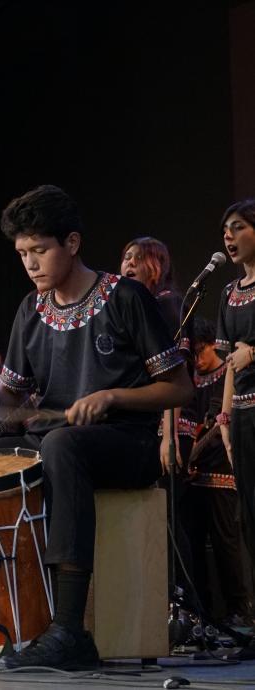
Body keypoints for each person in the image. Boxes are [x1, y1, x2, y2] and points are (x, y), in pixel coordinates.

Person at [0, 185, 192, 670]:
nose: (30, 264)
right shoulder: (31, 310)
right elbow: (13, 394)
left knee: (61, 446)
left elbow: (179, 388)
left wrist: (112, 396)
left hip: (128, 442)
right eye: (22, 254)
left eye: (39, 250)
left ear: (73, 243)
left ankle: (69, 631)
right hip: (59, 439)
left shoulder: (125, 298)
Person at [120, 236, 197, 608]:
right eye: (125, 257)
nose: (129, 263)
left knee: (168, 518)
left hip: (168, 426)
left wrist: (168, 433)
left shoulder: (166, 304)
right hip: (150, 426)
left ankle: (183, 608)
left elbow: (174, 377)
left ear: (158, 265)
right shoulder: (139, 307)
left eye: (139, 258)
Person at [181, 317, 251, 625]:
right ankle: (202, 613)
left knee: (226, 545)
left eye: (201, 352)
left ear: (213, 345)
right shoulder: (190, 380)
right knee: (193, 546)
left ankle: (239, 611)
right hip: (192, 477)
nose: (196, 360)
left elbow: (220, 422)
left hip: (222, 474)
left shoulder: (228, 375)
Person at [215, 200, 255, 654]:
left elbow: (245, 355)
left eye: (238, 227)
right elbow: (228, 364)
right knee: (248, 519)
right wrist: (223, 420)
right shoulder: (228, 293)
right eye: (225, 230)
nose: (228, 236)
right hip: (242, 417)